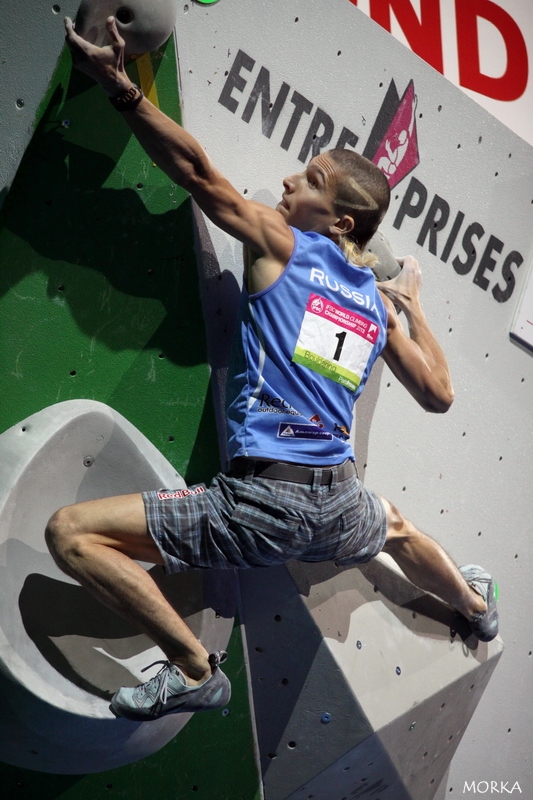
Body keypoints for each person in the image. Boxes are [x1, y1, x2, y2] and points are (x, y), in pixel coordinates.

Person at [46, 16, 499, 722]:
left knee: (71, 533)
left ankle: (195, 669)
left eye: (311, 178)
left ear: (341, 221)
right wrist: (412, 307)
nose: (289, 179)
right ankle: (474, 605)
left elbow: (199, 175)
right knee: (398, 529)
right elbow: (439, 395)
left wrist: (122, 87)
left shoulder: (287, 246)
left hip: (264, 505)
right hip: (338, 503)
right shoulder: (373, 310)